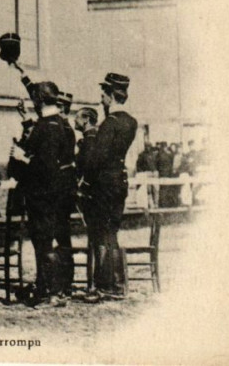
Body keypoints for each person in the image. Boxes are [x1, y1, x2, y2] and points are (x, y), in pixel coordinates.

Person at [10, 81, 76, 306]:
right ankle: (53, 287)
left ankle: (49, 290)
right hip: (58, 194)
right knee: (53, 240)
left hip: (42, 195)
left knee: (43, 242)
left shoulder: (46, 126)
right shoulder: (62, 124)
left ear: (38, 99)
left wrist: (22, 158)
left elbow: (45, 166)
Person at [82, 73, 138, 301]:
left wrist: (85, 178)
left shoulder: (109, 123)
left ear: (110, 96)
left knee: (101, 234)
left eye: (103, 95)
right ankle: (117, 284)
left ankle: (106, 286)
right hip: (120, 181)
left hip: (104, 184)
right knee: (112, 233)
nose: (101, 100)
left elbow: (96, 158)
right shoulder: (131, 122)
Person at [73, 107, 99, 289]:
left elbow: (87, 169)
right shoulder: (90, 139)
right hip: (93, 195)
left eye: (77, 118)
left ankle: (94, 283)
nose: (74, 121)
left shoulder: (90, 141)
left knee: (95, 239)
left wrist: (81, 189)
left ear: (86, 120)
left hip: (91, 196)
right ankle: (94, 282)